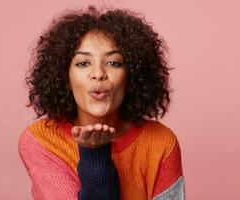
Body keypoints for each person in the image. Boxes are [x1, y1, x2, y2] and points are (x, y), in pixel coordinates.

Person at [18, 5, 186, 200]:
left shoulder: (161, 142)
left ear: (131, 76)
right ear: (65, 78)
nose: (98, 74)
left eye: (113, 63)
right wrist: (94, 155)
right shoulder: (40, 141)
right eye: (83, 63)